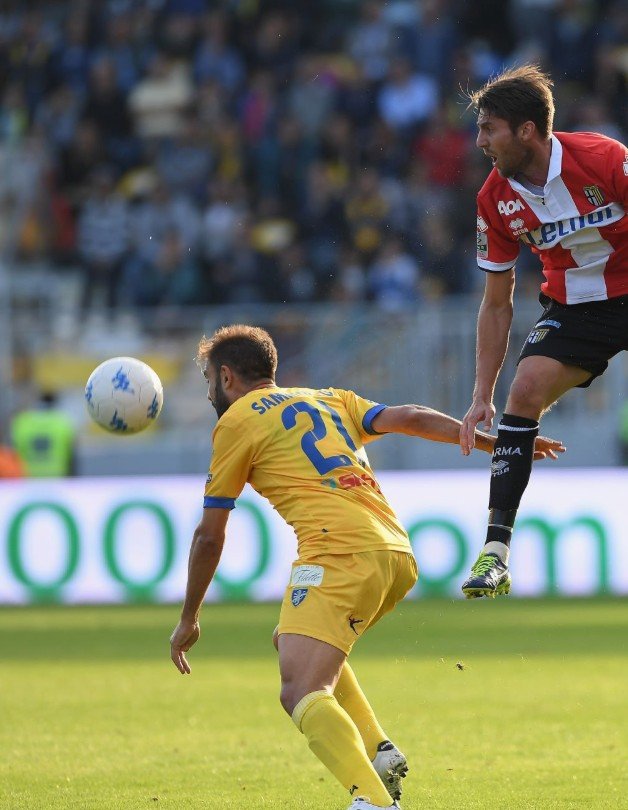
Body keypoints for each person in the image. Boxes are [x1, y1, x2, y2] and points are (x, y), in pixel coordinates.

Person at [170, 324, 563, 809]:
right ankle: (378, 750)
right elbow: (412, 416)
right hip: (394, 552)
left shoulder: (235, 422)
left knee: (300, 690)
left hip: (338, 553)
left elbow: (210, 534)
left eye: (209, 378)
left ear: (226, 376)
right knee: (292, 642)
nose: (211, 389)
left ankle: (373, 800)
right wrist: (500, 442)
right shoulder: (328, 398)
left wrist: (189, 616)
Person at [459, 64, 628, 598]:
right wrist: (480, 396)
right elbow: (495, 304)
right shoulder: (494, 198)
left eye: (489, 128)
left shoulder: (605, 158)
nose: (480, 140)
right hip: (576, 309)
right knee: (525, 390)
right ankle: (495, 553)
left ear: (526, 130)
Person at [10, 392, 76, 478]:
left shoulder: (22, 422)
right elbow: (71, 456)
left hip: (28, 478)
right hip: (56, 478)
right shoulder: (63, 422)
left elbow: (14, 453)